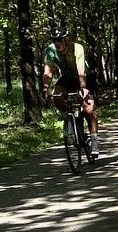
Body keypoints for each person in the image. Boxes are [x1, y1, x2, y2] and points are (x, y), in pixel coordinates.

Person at [42, 24, 98, 156]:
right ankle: (69, 121)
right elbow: (48, 72)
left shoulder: (77, 48)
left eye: (60, 39)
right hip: (67, 78)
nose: (58, 43)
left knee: (88, 110)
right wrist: (46, 88)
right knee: (57, 95)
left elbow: (81, 70)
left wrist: (83, 88)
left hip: (84, 77)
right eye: (55, 40)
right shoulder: (50, 50)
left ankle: (95, 142)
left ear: (66, 39)